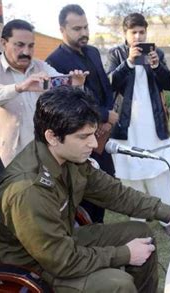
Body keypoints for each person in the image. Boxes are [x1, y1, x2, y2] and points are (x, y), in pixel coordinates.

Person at [0, 85, 170, 293]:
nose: (94, 143)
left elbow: (114, 193)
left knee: (141, 233)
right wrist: (124, 254)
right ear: (52, 137)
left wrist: (169, 213)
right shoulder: (28, 189)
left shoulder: (68, 156)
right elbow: (62, 261)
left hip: (56, 243)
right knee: (117, 283)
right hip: (28, 268)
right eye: (84, 136)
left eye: (93, 134)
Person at [0, 19, 88, 167]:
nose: (26, 52)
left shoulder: (41, 66)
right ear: (3, 42)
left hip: (42, 155)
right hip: (8, 159)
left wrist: (77, 84)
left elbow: (62, 90)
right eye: (19, 45)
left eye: (31, 46)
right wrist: (19, 87)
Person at [46, 4, 119, 223]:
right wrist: (104, 115)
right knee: (84, 196)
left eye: (86, 27)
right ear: (62, 29)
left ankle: (100, 234)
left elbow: (106, 88)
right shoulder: (55, 61)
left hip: (102, 139)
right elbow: (67, 105)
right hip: (79, 141)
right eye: (77, 29)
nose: (84, 33)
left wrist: (108, 116)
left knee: (104, 188)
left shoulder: (93, 52)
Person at [106, 13, 170, 234]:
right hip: (126, 125)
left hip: (154, 124)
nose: (138, 36)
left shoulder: (158, 52)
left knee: (160, 172)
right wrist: (127, 62)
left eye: (142, 31)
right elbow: (111, 83)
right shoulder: (116, 53)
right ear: (125, 34)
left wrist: (157, 66)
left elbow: (169, 84)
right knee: (130, 175)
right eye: (133, 32)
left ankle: (169, 219)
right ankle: (138, 222)